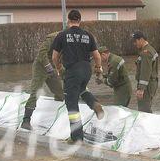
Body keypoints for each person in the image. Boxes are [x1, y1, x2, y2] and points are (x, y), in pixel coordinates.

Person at [52, 10, 104, 143]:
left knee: (72, 104)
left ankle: (77, 138)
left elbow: (55, 56)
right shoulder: (88, 35)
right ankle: (94, 104)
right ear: (80, 21)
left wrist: (58, 68)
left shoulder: (62, 35)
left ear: (68, 20)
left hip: (73, 70)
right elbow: (97, 56)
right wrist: (98, 68)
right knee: (81, 89)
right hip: (87, 69)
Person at [21, 32, 64, 130]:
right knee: (35, 92)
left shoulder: (69, 41)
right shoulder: (53, 38)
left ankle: (58, 116)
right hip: (41, 67)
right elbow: (42, 53)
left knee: (60, 92)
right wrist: (48, 66)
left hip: (53, 66)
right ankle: (26, 120)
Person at [132, 31, 159, 113]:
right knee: (146, 108)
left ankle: (149, 125)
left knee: (144, 111)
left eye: (135, 41)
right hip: (150, 84)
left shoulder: (146, 53)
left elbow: (145, 72)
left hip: (147, 86)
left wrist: (141, 89)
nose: (134, 44)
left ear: (141, 39)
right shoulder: (150, 49)